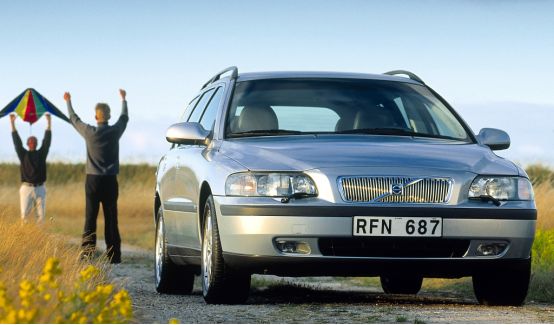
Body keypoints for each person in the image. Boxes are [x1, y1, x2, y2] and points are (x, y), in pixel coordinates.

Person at [64, 90, 128, 264]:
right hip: (110, 180)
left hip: (92, 180)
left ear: (95, 116)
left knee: (90, 217)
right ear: (108, 116)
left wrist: (68, 101)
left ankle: (87, 254)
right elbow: (124, 118)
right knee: (111, 218)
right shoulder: (115, 131)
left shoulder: (89, 132)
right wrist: (123, 100)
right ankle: (114, 256)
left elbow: (73, 118)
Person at [10, 113, 52, 223]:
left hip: (40, 188)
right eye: (30, 142)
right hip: (26, 188)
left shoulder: (42, 153)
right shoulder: (23, 154)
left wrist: (49, 123)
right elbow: (16, 142)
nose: (32, 143)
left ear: (37, 143)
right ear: (27, 144)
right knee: (25, 217)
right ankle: (25, 240)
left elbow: (47, 142)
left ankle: (39, 239)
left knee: (41, 217)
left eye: (34, 141)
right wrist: (12, 123)